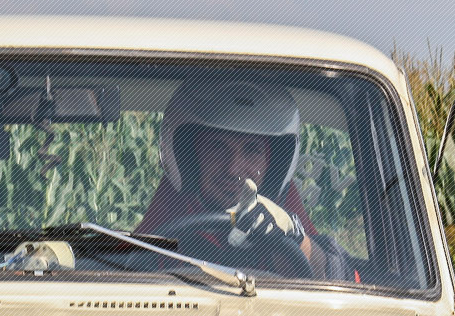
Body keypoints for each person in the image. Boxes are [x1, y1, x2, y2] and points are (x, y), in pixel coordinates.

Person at [135, 79, 324, 274]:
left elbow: (336, 274)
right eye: (217, 147)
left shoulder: (282, 207)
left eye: (252, 150)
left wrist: (296, 239)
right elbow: (128, 260)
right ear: (191, 159)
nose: (233, 169)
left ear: (270, 164)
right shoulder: (173, 203)